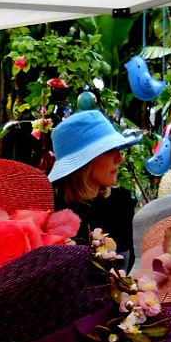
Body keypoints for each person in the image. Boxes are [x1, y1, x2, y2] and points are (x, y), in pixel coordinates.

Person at [48, 110, 142, 268]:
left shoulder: (121, 203)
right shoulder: (49, 211)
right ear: (84, 163)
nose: (120, 158)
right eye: (108, 151)